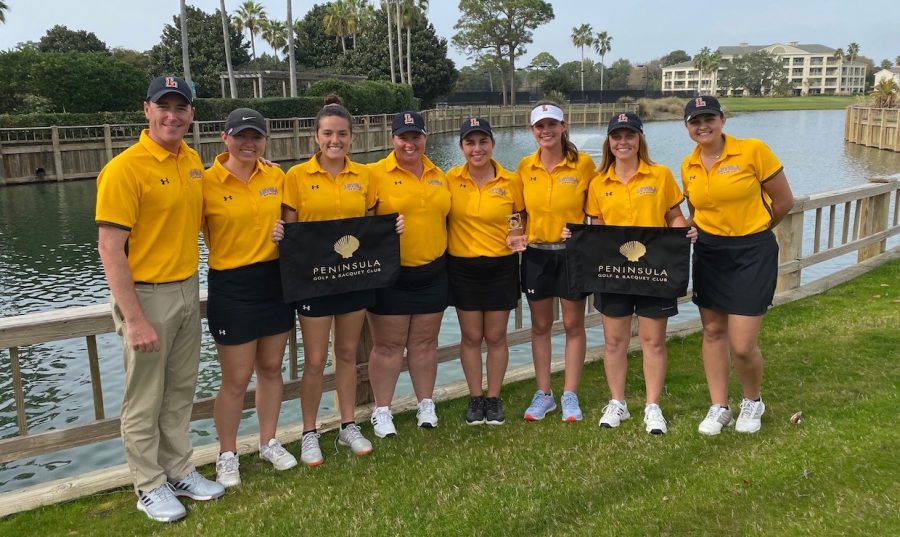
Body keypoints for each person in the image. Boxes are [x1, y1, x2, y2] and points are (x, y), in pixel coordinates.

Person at [95, 76, 224, 523]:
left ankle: (179, 470)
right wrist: (134, 319)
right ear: (146, 109)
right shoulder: (125, 168)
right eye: (163, 106)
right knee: (144, 398)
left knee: (179, 391)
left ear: (191, 114)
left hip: (188, 287)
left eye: (181, 107)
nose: (172, 115)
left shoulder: (191, 161)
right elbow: (110, 249)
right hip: (146, 297)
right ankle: (148, 485)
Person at [274, 96, 394, 465]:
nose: (335, 140)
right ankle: (309, 432)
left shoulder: (365, 176)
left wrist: (393, 227)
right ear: (316, 136)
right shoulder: (295, 177)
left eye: (342, 133)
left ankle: (347, 424)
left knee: (346, 354)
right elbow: (292, 233)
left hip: (353, 280)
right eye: (328, 133)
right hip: (314, 282)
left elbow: (371, 227)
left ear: (352, 137)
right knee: (314, 360)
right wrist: (281, 234)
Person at [679, 96, 794, 435]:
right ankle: (719, 406)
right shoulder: (688, 165)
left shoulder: (753, 150)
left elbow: (784, 201)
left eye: (709, 118)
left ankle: (752, 400)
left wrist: (756, 230)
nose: (703, 126)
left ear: (722, 119)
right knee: (713, 331)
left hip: (752, 251)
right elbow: (697, 213)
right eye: (695, 121)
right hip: (710, 252)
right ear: (686, 127)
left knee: (742, 344)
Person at [581, 112, 696, 435]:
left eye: (629, 136)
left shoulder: (659, 175)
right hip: (614, 273)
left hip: (655, 271)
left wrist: (681, 233)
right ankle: (617, 402)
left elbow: (674, 215)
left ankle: (652, 406)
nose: (623, 142)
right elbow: (597, 227)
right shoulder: (598, 183)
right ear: (609, 142)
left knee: (653, 341)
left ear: (640, 139)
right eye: (616, 137)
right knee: (614, 341)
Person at [203, 108, 297, 488]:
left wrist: (286, 234)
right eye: (240, 136)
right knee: (236, 378)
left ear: (265, 140)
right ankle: (227, 454)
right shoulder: (205, 182)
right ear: (224, 138)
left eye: (256, 136)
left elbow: (297, 230)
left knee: (272, 369)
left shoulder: (277, 176)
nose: (248, 143)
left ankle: (268, 441)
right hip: (231, 285)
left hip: (274, 282)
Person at [366, 111, 451, 437]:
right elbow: (360, 218)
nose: (410, 143)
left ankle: (425, 403)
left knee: (425, 344)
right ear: (393, 139)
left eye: (416, 136)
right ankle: (382, 409)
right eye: (403, 137)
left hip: (432, 271)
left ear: (425, 138)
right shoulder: (374, 173)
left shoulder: (438, 174)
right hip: (391, 275)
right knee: (387, 346)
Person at [516, 101, 597, 422]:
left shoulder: (584, 165)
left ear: (564, 127)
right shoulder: (525, 167)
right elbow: (517, 213)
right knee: (540, 327)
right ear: (532, 131)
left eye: (552, 125)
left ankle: (570, 395)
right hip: (536, 256)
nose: (546, 131)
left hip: (571, 256)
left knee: (574, 325)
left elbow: (597, 212)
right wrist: (517, 234)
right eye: (539, 126)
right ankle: (544, 393)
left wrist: (581, 234)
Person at [446, 117, 524, 426]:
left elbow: (518, 217)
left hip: (500, 265)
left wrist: (516, 235)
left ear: (492, 143)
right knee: (470, 335)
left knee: (495, 336)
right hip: (463, 266)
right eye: (470, 142)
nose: (477, 149)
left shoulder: (510, 180)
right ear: (461, 146)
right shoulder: (450, 179)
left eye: (482, 142)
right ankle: (474, 397)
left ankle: (493, 398)